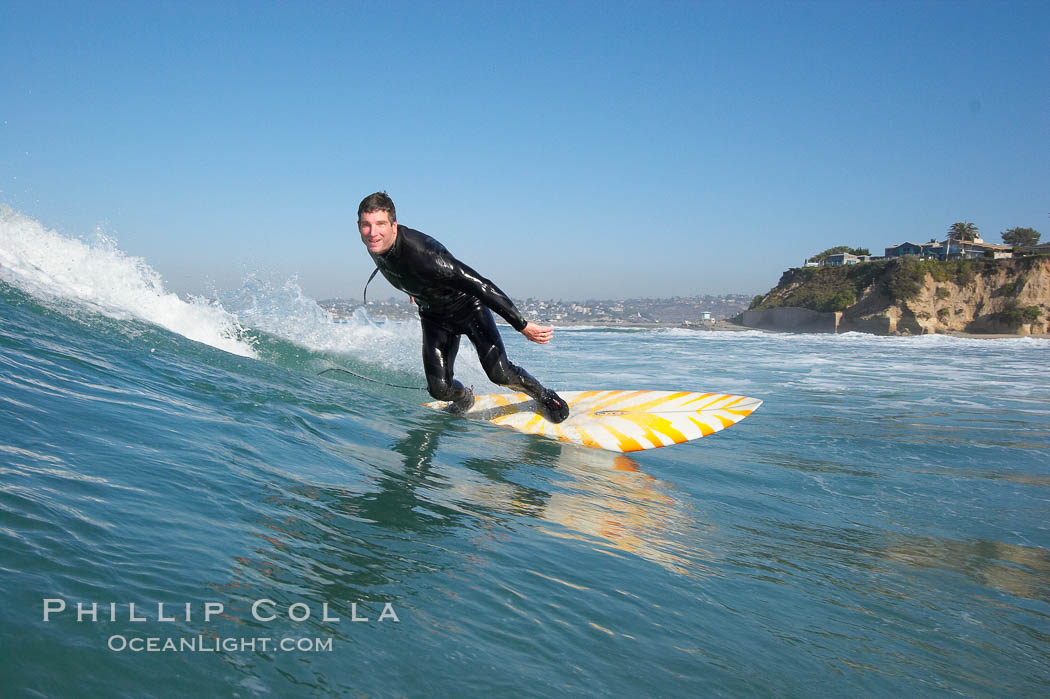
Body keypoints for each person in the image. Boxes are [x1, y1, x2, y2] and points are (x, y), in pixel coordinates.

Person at [357, 192, 570, 423]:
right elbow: (399, 267)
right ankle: (465, 398)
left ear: (394, 225)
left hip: (469, 307)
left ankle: (543, 395)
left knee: (499, 374)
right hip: (434, 316)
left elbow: (482, 286)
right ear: (359, 226)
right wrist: (415, 288)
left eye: (380, 224)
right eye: (366, 225)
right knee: (439, 390)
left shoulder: (426, 255)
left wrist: (523, 325)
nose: (372, 232)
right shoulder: (375, 244)